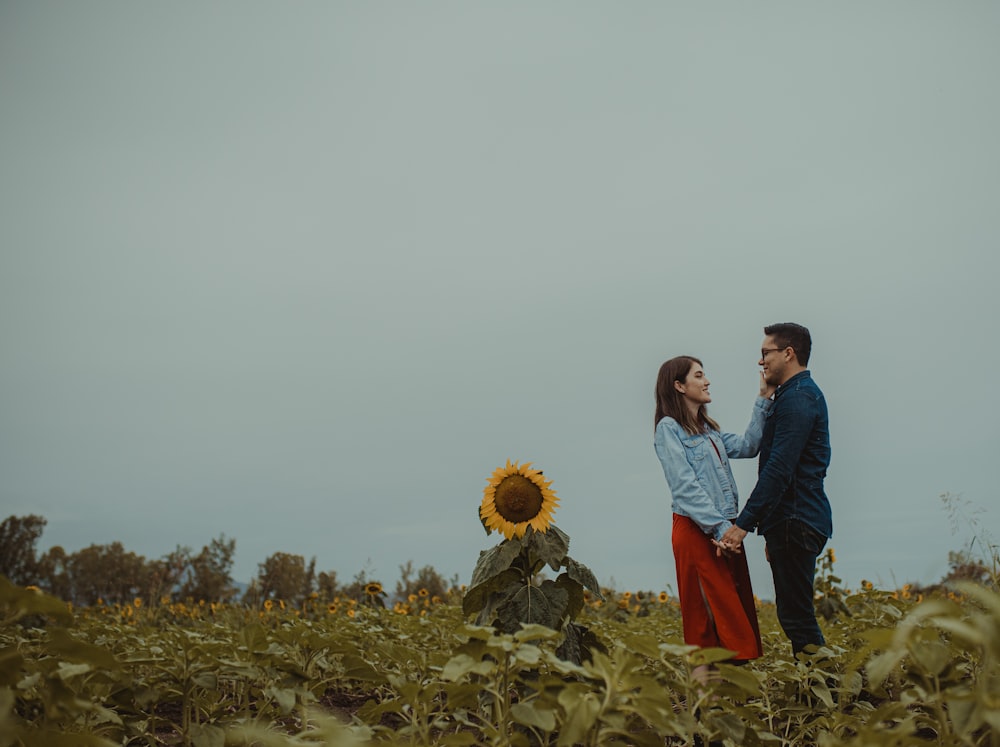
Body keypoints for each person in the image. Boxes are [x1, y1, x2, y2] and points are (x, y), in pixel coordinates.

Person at [654, 355, 775, 681]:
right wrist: (723, 528)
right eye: (699, 375)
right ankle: (704, 714)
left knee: (729, 617)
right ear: (679, 386)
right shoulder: (669, 429)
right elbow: (684, 487)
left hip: (722, 531)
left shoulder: (709, 430)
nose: (707, 381)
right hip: (698, 531)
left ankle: (722, 708)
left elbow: (750, 445)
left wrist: (764, 397)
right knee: (704, 620)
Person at [720, 323, 832, 655]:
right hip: (792, 520)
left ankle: (824, 696)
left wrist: (744, 524)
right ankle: (818, 693)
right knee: (795, 613)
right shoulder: (795, 396)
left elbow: (779, 470)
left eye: (765, 353)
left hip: (796, 518)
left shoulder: (797, 400)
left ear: (788, 353)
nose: (760, 362)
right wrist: (771, 529)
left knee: (797, 617)